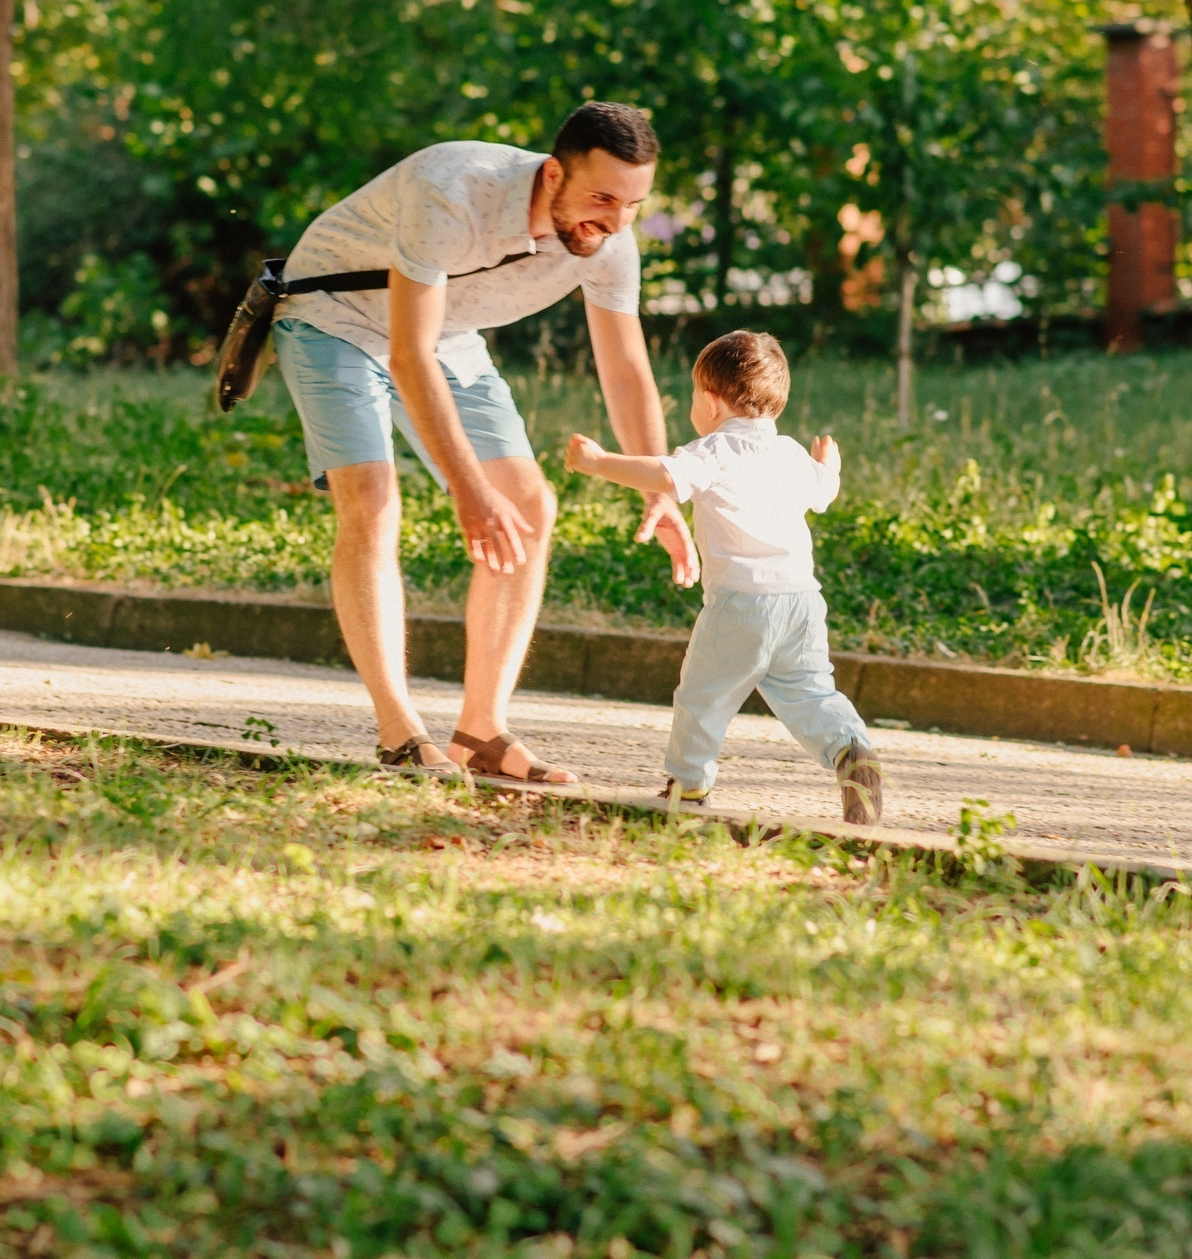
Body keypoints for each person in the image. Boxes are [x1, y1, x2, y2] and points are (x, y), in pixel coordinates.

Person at [273, 103, 697, 783]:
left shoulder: (611, 243)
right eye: (602, 197)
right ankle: (399, 733)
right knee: (373, 502)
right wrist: (470, 490)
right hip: (336, 317)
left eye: (634, 204)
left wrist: (662, 485)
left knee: (530, 505)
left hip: (444, 334)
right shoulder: (456, 188)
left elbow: (624, 368)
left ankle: (481, 731)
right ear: (554, 173)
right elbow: (407, 356)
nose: (616, 221)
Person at [563, 328, 884, 823]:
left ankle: (688, 784)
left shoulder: (713, 452)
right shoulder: (791, 454)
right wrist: (831, 467)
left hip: (741, 604)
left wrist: (599, 462)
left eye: (694, 394)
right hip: (801, 601)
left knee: (703, 696)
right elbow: (823, 492)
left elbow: (665, 476)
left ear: (711, 403)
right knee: (811, 690)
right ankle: (850, 749)